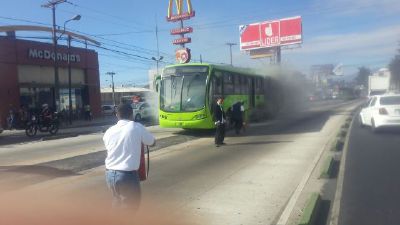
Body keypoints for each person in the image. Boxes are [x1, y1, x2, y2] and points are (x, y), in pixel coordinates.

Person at [103, 103, 156, 210]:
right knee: (130, 208)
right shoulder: (136, 127)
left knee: (117, 204)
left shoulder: (109, 131)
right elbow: (152, 142)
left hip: (109, 174)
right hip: (126, 176)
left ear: (117, 115)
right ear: (132, 114)